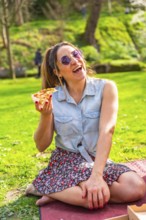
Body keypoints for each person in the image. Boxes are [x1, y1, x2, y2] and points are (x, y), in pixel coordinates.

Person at [26, 41, 146, 209]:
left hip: (96, 159)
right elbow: (41, 145)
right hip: (66, 160)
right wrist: (46, 115)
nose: (75, 61)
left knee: (136, 188)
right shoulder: (51, 97)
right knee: (94, 199)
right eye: (66, 60)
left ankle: (53, 189)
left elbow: (107, 130)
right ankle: (52, 185)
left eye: (76, 54)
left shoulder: (106, 87)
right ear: (58, 72)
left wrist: (96, 176)